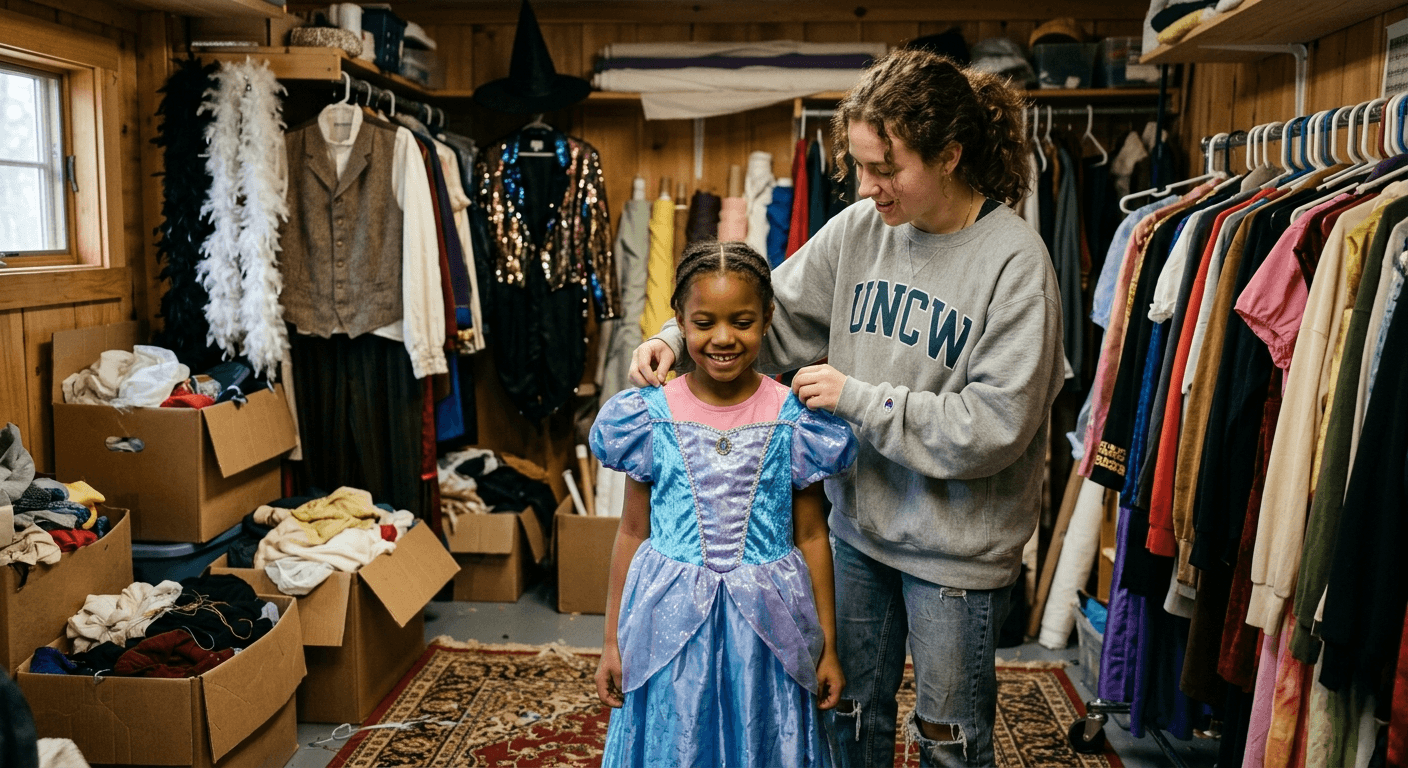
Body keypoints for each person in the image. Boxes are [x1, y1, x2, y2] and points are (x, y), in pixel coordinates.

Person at [630, 49, 1064, 768]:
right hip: (858, 534)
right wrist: (675, 339)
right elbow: (770, 313)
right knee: (845, 713)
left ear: (951, 155)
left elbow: (997, 427)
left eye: (885, 169)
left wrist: (858, 399)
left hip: (955, 556)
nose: (867, 187)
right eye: (860, 166)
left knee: (948, 739)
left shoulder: (1017, 264)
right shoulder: (863, 229)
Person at [591, 240, 857, 767]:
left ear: (768, 319)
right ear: (679, 322)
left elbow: (809, 535)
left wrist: (827, 646)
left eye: (741, 321)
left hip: (768, 630)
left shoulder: (795, 418)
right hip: (667, 624)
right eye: (704, 322)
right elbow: (631, 531)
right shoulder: (649, 416)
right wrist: (611, 643)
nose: (723, 338)